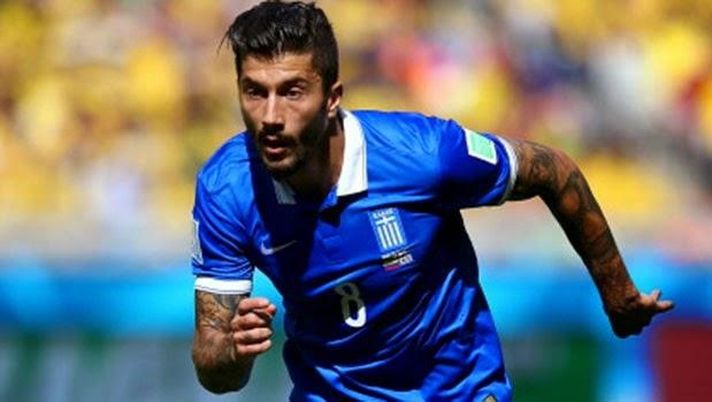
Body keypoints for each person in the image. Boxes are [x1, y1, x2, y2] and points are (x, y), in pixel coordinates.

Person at [189, 1, 674, 401]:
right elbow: (215, 370)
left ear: (332, 97)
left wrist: (617, 293)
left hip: (457, 391)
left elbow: (551, 169)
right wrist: (231, 352)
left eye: (292, 92)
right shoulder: (227, 189)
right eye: (255, 93)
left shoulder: (424, 155)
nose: (271, 116)